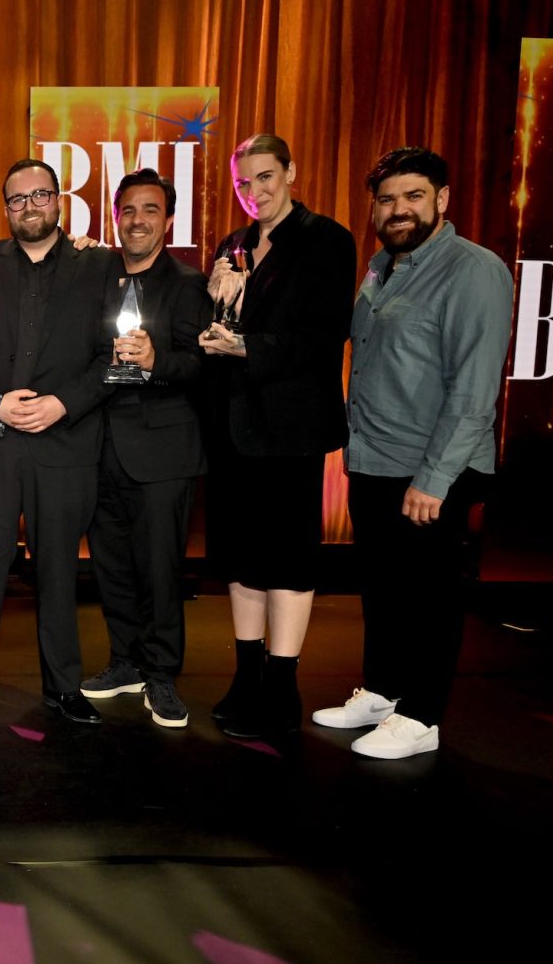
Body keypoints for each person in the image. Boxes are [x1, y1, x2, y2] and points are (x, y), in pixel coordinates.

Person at [314, 147, 512, 759]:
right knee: (385, 589)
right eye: (388, 199)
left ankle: (422, 717)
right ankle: (382, 691)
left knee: (429, 598)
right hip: (375, 461)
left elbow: (475, 389)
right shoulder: (382, 266)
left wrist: (435, 478)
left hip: (430, 471)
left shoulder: (473, 270)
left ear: (442, 199)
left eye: (413, 196)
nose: (399, 209)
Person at [0, 159, 116, 723]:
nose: (29, 207)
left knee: (58, 572)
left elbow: (112, 356)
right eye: (16, 200)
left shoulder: (100, 265)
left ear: (58, 199)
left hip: (63, 442)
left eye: (39, 195)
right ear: (5, 208)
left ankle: (63, 687)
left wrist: (63, 404)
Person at [201, 133, 356, 740]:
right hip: (234, 428)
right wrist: (218, 309)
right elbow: (220, 332)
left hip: (290, 429)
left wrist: (243, 344)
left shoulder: (326, 240)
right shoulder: (232, 246)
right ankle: (246, 675)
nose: (255, 191)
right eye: (244, 183)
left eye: (265, 177)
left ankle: (282, 682)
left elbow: (324, 336)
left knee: (287, 558)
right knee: (242, 556)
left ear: (291, 172)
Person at [79, 169, 207, 728]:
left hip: (163, 453)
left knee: (159, 570)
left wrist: (157, 363)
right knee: (112, 567)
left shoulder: (187, 283)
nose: (137, 221)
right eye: (128, 210)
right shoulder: (96, 275)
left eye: (150, 210)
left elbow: (200, 364)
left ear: (169, 220)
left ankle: (162, 675)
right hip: (98, 446)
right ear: (115, 215)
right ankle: (125, 662)